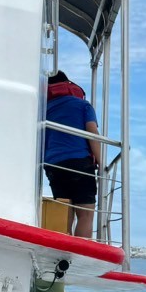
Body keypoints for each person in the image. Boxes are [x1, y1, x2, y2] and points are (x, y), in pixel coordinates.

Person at [42, 71, 102, 239]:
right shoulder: (82, 105)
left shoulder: (43, 110)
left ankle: (62, 249)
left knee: (65, 213)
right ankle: (80, 250)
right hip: (79, 163)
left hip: (53, 165)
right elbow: (92, 133)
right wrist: (102, 163)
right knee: (85, 215)